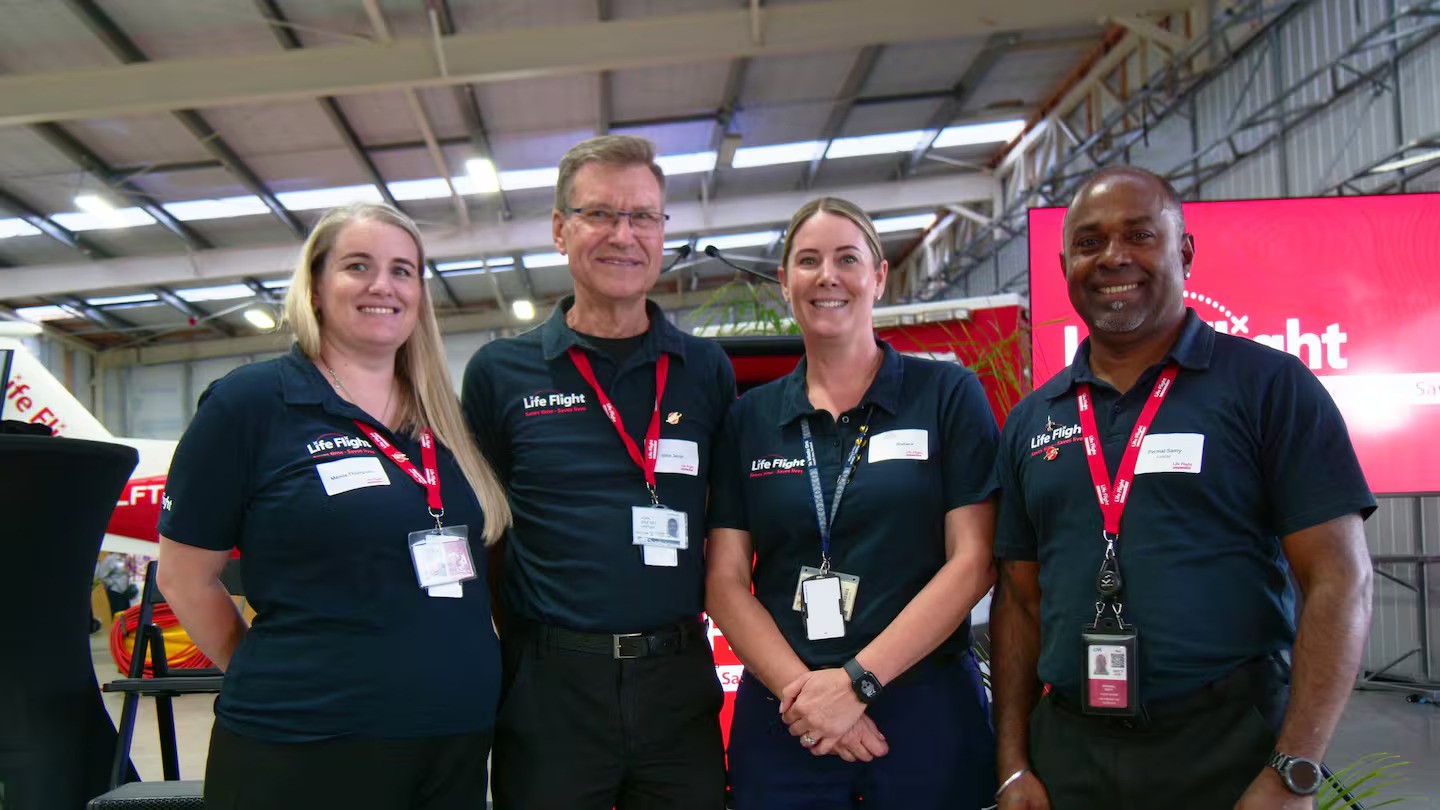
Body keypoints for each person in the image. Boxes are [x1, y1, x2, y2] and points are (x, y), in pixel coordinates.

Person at [989, 166, 1375, 809]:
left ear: (1185, 252)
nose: (1113, 257)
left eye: (1139, 235)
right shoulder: (1033, 419)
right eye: (1089, 242)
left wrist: (1293, 770)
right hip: (1070, 755)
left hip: (1230, 749)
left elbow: (1340, 579)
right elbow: (1020, 604)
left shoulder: (1269, 386)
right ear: (1065, 266)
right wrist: (1011, 764)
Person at [157, 203, 511, 809]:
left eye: (402, 271)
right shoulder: (252, 403)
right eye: (358, 266)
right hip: (306, 743)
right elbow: (183, 577)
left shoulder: (444, 419)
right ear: (316, 288)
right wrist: (272, 676)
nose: (383, 286)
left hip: (452, 742)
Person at [461, 135, 733, 810]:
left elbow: (730, 521)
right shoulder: (501, 374)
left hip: (678, 684)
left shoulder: (705, 371)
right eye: (600, 214)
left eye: (643, 216)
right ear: (560, 230)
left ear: (663, 231)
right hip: (551, 689)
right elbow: (486, 536)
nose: (624, 235)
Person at [705, 197, 999, 809]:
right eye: (808, 261)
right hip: (788, 715)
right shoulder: (748, 419)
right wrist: (810, 698)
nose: (827, 277)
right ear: (785, 282)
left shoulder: (946, 394)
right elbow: (724, 581)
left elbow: (973, 560)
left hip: (923, 706)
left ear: (879, 276)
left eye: (847, 259)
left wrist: (857, 684)